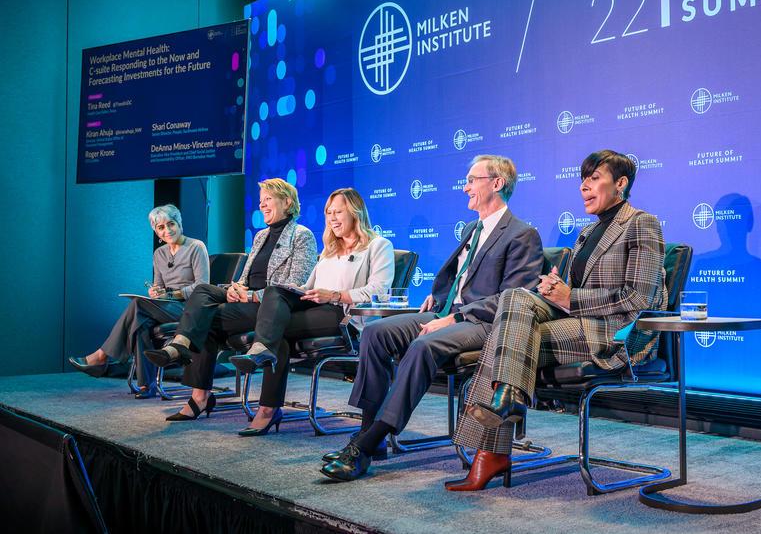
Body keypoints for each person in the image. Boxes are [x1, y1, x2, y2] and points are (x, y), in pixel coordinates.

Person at [444, 150, 668, 491]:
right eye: (583, 180)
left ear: (621, 183)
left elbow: (639, 298)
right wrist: (554, 291)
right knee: (515, 298)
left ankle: (492, 447)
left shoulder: (641, 223)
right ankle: (506, 395)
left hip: (617, 333)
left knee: (505, 338)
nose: (584, 187)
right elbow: (573, 296)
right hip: (580, 322)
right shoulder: (585, 233)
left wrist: (570, 297)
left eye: (594, 179)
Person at [320, 154, 543, 482]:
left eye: (472, 180)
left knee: (424, 345)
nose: (465, 187)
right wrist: (439, 301)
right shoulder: (472, 229)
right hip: (448, 313)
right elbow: (458, 277)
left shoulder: (523, 235)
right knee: (375, 333)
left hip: (482, 324)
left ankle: (365, 446)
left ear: (497, 184)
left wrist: (455, 317)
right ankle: (369, 432)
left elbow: (514, 300)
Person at [144, 178, 317, 420]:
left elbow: (294, 285)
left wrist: (251, 295)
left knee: (205, 320)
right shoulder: (260, 236)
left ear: (287, 201)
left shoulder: (302, 236)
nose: (263, 205)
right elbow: (246, 277)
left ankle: (199, 396)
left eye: (268, 199)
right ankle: (181, 346)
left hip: (271, 306)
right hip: (245, 299)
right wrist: (236, 288)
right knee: (203, 291)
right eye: (261, 201)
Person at [228, 188, 394, 436]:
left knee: (274, 328)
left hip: (344, 317)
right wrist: (292, 290)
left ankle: (263, 369)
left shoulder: (378, 245)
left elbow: (379, 290)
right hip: (316, 310)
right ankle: (267, 406)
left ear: (355, 213)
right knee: (276, 316)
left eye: (338, 212)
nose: (332, 218)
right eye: (329, 213)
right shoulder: (329, 251)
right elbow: (307, 288)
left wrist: (336, 295)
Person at [68, 205, 209, 399]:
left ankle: (102, 356)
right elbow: (159, 286)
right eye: (161, 227)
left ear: (179, 224)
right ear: (156, 231)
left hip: (189, 309)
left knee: (137, 306)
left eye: (171, 224)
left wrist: (173, 294)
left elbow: (203, 287)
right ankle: (146, 385)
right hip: (165, 307)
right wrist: (155, 291)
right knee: (139, 322)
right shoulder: (159, 254)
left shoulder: (196, 247)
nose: (167, 230)